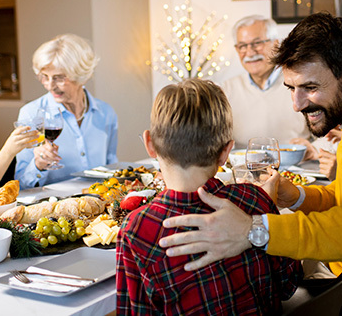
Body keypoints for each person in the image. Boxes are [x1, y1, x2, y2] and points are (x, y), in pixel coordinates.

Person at [158, 13, 342, 280]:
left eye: (310, 88)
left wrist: (254, 229)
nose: (296, 104)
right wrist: (298, 195)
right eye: (291, 88)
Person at [117, 78, 301, 315]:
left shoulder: (136, 229)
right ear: (226, 152)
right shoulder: (254, 198)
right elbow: (289, 284)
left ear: (149, 144)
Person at [15, 34, 118, 189]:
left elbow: (112, 168)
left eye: (59, 78)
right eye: (45, 77)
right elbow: (22, 184)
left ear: (81, 77)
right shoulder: (31, 114)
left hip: (100, 200)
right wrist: (38, 165)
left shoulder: (105, 113)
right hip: (55, 205)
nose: (50, 85)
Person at [219, 15, 310, 147]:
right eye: (243, 46)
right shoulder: (226, 90)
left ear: (276, 44)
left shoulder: (301, 84)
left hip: (295, 166)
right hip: (243, 166)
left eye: (257, 43)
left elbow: (328, 134)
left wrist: (314, 148)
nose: (250, 52)